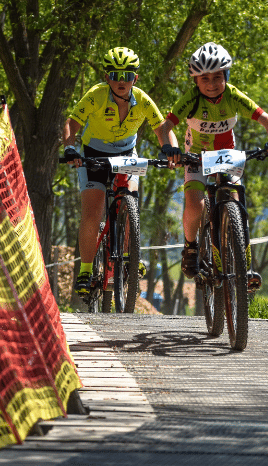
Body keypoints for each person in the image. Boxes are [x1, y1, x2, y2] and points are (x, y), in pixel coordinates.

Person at [62, 47, 180, 298]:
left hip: (127, 154)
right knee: (93, 209)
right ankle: (85, 270)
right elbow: (72, 123)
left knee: (131, 200)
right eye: (115, 74)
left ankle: (130, 254)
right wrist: (70, 148)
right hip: (94, 153)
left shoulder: (143, 100)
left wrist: (172, 151)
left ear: (135, 79)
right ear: (107, 77)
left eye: (127, 75)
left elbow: (162, 128)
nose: (121, 80)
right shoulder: (96, 95)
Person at [163, 42, 268, 281]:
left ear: (226, 76)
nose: (212, 84)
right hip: (195, 152)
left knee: (235, 198)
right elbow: (166, 126)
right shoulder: (191, 99)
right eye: (204, 79)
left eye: (218, 77)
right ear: (195, 81)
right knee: (195, 204)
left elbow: (267, 119)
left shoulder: (232, 95)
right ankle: (191, 247)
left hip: (226, 153)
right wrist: (171, 148)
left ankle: (242, 263)